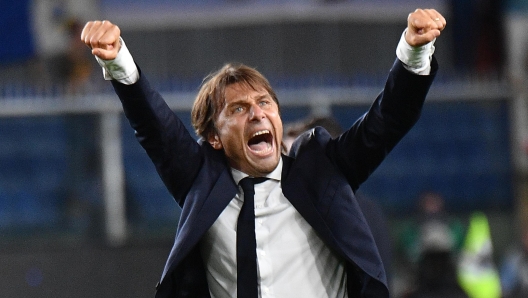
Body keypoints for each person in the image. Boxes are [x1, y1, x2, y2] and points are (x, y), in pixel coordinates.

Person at [81, 8, 446, 298]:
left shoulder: (322, 169)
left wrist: (414, 53)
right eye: (238, 108)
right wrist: (118, 62)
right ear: (214, 137)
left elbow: (386, 121)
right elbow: (154, 126)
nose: (257, 113)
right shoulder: (201, 180)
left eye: (264, 102)